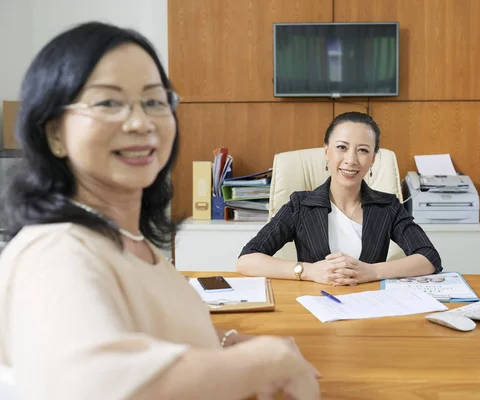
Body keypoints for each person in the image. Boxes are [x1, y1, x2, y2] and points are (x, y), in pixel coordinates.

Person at [0, 22, 319, 400]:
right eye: (108, 102)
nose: (141, 122)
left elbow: (144, 331)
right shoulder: (55, 252)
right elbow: (94, 385)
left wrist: (229, 341)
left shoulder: (128, 243)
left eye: (154, 101)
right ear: (54, 133)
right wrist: (268, 360)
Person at [237, 112, 442, 285]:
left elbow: (429, 257)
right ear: (327, 152)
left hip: (371, 308)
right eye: (342, 147)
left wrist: (372, 272)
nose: (351, 160)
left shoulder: (387, 206)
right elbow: (247, 260)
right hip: (314, 308)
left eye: (362, 150)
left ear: (372, 159)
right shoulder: (300, 205)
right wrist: (308, 271)